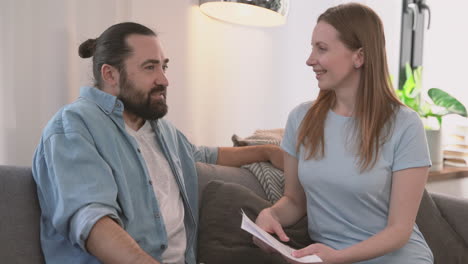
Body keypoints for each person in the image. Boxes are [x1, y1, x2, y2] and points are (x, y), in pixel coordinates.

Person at [32, 22, 283, 264]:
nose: (164, 80)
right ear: (110, 74)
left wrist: (267, 151)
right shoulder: (73, 126)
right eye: (150, 68)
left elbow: (202, 155)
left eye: (164, 67)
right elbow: (93, 221)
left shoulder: (161, 128)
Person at [254, 3, 433, 264]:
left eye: (322, 49)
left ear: (359, 56)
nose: (310, 59)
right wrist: (271, 215)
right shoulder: (300, 119)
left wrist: (338, 258)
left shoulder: (405, 125)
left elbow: (399, 231)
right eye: (312, 47)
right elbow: (295, 200)